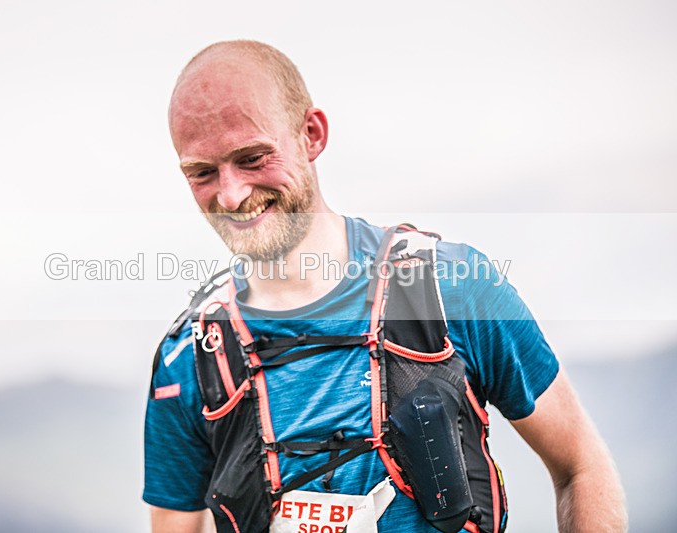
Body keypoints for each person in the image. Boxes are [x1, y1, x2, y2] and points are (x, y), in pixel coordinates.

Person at [143, 40, 626, 533]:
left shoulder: (453, 289)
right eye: (202, 172)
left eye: (252, 158)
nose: (231, 195)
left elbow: (580, 466)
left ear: (311, 135)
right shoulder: (189, 357)